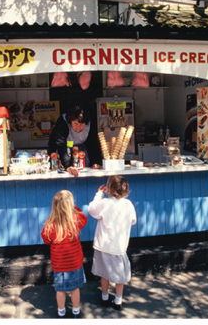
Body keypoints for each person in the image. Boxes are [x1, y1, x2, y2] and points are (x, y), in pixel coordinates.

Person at [88, 175, 137, 311]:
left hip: (103, 245)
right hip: (119, 246)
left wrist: (99, 194)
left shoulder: (105, 203)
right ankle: (118, 300)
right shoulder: (128, 205)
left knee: (105, 273)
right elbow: (133, 220)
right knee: (119, 276)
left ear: (108, 189)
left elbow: (92, 209)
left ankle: (104, 297)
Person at [41, 190, 88, 318]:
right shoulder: (75, 220)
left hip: (59, 265)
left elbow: (46, 239)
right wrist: (75, 208)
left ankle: (61, 312)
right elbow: (84, 217)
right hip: (75, 263)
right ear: (70, 206)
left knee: (60, 290)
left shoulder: (50, 223)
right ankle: (76, 311)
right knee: (75, 289)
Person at [48, 103, 102, 177]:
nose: (78, 127)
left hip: (81, 152)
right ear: (70, 121)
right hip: (63, 151)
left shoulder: (89, 124)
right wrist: (68, 166)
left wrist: (95, 161)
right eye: (76, 123)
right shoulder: (63, 122)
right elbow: (60, 144)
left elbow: (92, 143)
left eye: (81, 124)